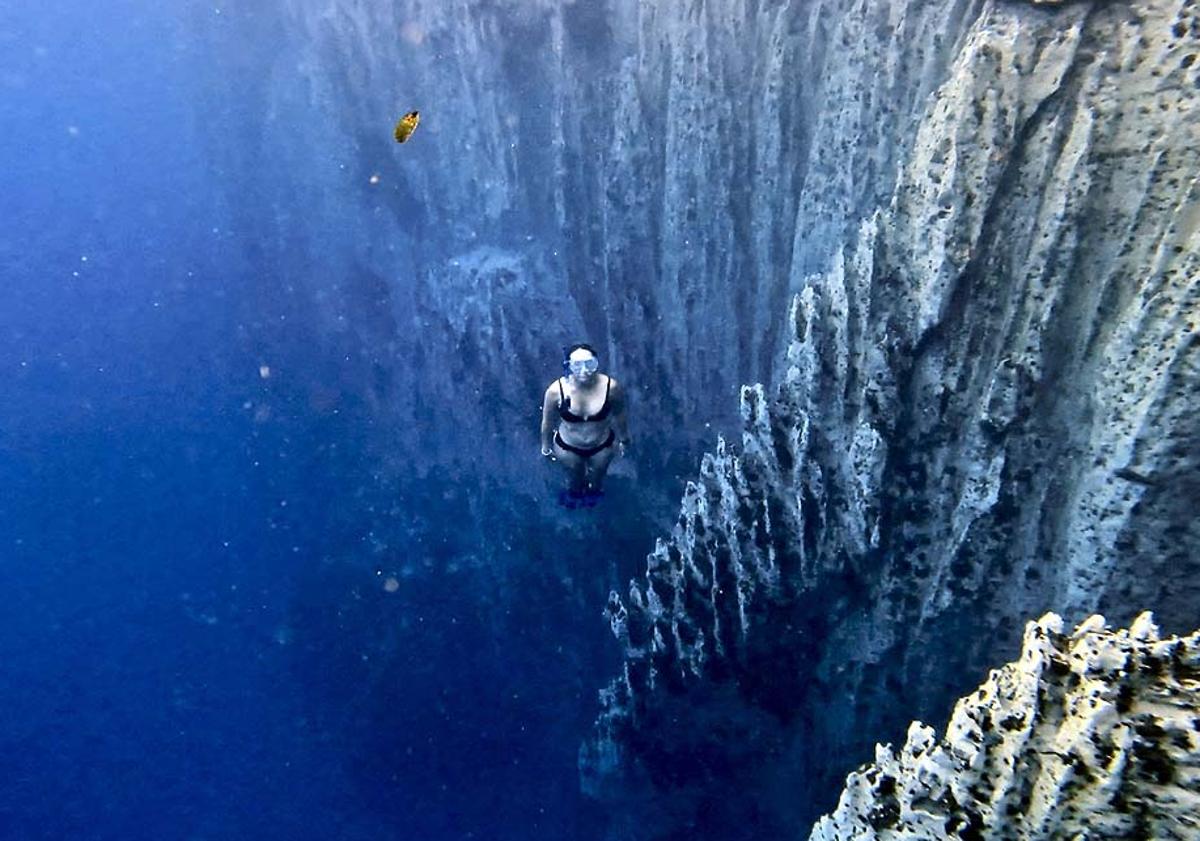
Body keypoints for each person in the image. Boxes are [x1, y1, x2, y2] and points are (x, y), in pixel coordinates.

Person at [540, 343, 630, 508]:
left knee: (597, 479)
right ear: (568, 367)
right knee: (575, 479)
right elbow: (547, 421)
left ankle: (592, 497)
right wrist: (545, 446)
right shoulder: (556, 391)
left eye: (589, 364)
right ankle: (575, 494)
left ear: (596, 363)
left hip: (602, 445)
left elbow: (620, 413)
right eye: (577, 365)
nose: (584, 371)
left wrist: (624, 438)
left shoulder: (610, 388)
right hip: (568, 447)